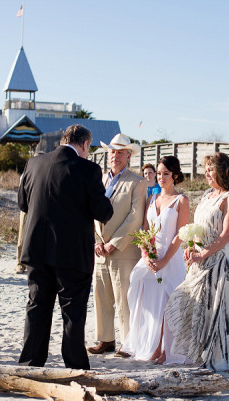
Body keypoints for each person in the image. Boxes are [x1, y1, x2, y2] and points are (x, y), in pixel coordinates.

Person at [18, 124, 113, 370]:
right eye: (88, 148)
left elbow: (23, 203)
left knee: (37, 307)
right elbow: (103, 212)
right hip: (72, 254)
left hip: (37, 250)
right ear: (84, 145)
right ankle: (74, 366)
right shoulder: (88, 169)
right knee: (72, 312)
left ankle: (30, 363)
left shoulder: (33, 164)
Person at [163, 152, 229, 371]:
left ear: (222, 170)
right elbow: (197, 227)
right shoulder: (207, 195)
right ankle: (200, 353)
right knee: (196, 305)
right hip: (199, 259)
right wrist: (191, 246)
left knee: (217, 308)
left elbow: (227, 234)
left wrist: (204, 253)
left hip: (218, 261)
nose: (207, 173)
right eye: (206, 169)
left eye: (211, 169)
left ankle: (219, 356)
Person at [119, 156, 189, 361]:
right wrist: (145, 253)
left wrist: (164, 260)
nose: (161, 177)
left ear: (175, 175)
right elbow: (145, 230)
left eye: (166, 173)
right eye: (158, 173)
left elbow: (180, 234)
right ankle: (153, 346)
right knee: (148, 301)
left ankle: (166, 349)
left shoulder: (181, 200)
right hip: (150, 258)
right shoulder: (152, 199)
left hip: (171, 258)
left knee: (168, 304)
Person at [88, 134, 146, 355]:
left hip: (124, 250)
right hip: (99, 249)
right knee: (101, 297)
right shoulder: (99, 179)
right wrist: (96, 241)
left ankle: (128, 342)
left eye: (120, 152)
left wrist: (114, 243)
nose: (115, 155)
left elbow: (135, 217)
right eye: (112, 151)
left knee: (124, 299)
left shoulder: (137, 182)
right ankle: (106, 340)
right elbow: (90, 210)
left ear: (129, 156)